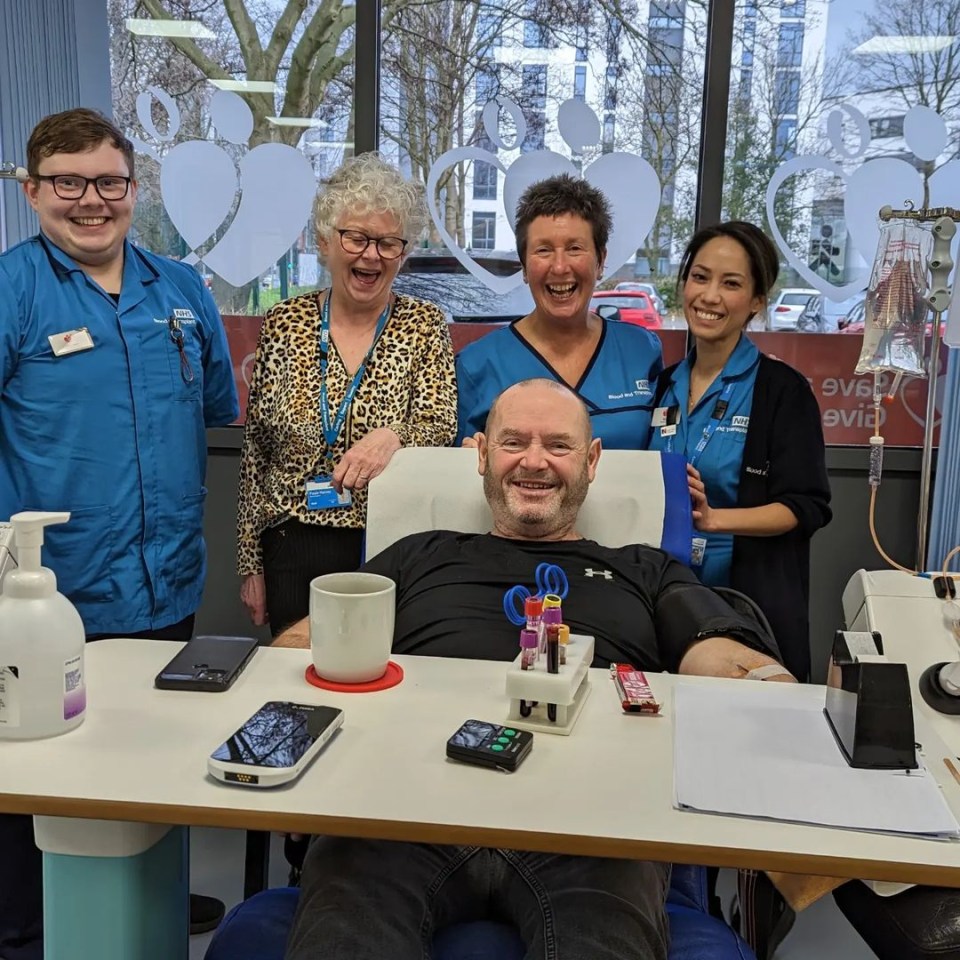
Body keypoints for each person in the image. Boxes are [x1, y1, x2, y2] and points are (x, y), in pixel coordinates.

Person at [274, 378, 793, 960]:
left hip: (591, 823)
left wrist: (769, 695)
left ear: (592, 461)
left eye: (559, 446)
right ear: (481, 454)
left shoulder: (645, 571)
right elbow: (306, 646)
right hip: (404, 807)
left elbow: (721, 655)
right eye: (514, 441)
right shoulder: (420, 554)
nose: (534, 462)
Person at [0, 108, 239, 954]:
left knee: (150, 763)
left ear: (134, 190)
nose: (91, 201)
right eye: (68, 182)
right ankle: (29, 934)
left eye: (109, 181)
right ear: (34, 192)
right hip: (46, 595)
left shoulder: (178, 291)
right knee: (39, 777)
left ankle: (150, 900)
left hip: (165, 582)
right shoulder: (11, 291)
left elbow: (216, 410)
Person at [237, 153, 457, 638]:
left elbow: (440, 426)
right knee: (299, 678)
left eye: (387, 242)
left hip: (389, 538)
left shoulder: (424, 326)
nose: (370, 255)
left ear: (403, 252)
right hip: (292, 537)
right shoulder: (284, 323)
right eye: (355, 237)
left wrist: (393, 436)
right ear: (324, 242)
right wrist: (250, 562)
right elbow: (256, 451)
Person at [648, 221, 831, 684]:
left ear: (756, 301)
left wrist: (714, 520)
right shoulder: (663, 385)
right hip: (664, 603)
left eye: (730, 284)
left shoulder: (782, 392)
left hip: (747, 607)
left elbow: (806, 506)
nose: (709, 296)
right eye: (700, 276)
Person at [455, 174, 662, 448]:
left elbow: (665, 445)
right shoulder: (476, 365)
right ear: (524, 267)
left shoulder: (641, 350)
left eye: (575, 248)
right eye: (543, 250)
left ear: (600, 261)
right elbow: (456, 470)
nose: (560, 266)